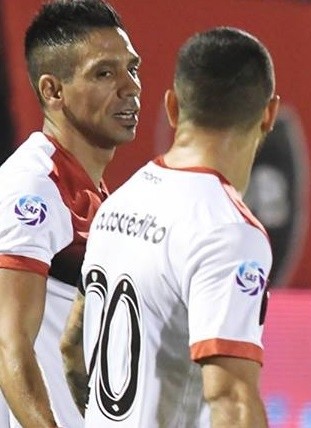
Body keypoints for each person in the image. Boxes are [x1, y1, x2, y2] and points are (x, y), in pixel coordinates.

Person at [60, 27, 278, 427]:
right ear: (269, 114)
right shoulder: (227, 231)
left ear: (173, 107)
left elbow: (72, 348)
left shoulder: (118, 203)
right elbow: (231, 398)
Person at [0, 1, 140, 426]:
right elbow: (8, 343)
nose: (130, 87)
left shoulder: (97, 198)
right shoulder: (32, 190)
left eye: (132, 68)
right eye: (104, 73)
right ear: (53, 91)